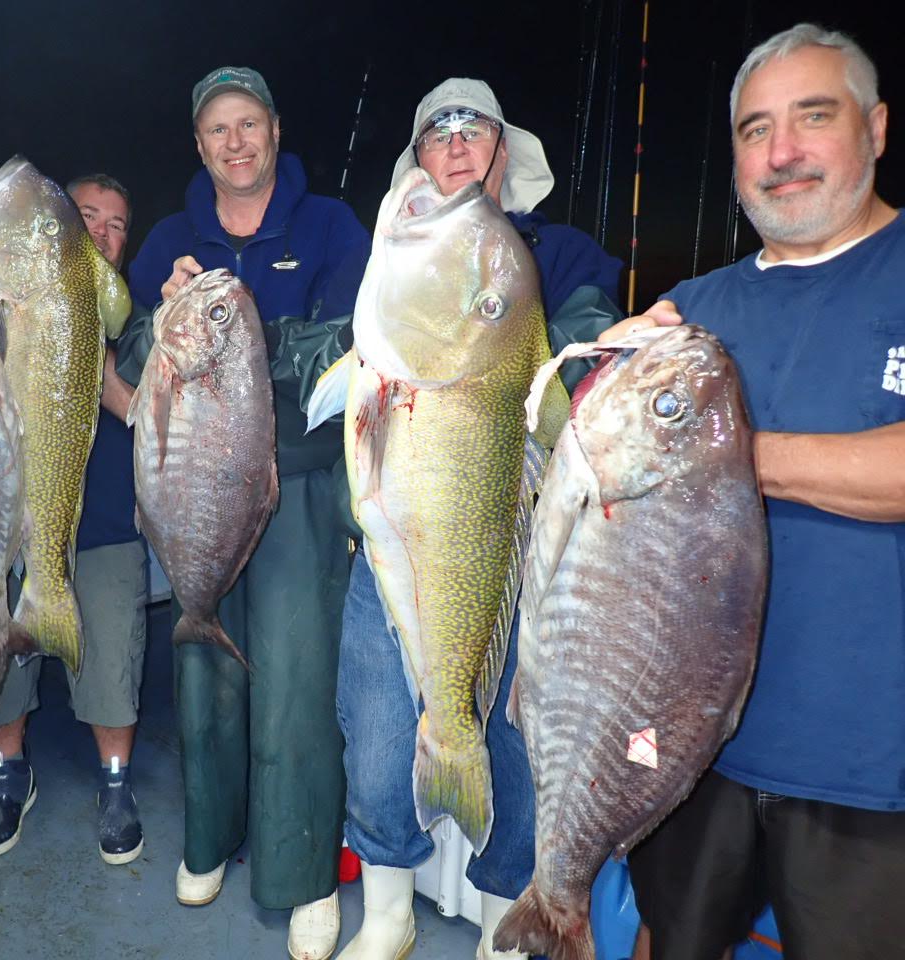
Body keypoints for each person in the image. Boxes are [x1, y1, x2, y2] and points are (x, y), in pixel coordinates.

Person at [605, 24, 905, 960]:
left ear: (877, 127)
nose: (780, 153)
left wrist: (715, 450)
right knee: (666, 939)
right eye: (753, 129)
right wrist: (597, 386)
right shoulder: (695, 305)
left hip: (869, 770)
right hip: (692, 751)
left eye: (812, 118)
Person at [322, 80, 622, 960]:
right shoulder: (396, 259)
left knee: (516, 744)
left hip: (516, 551)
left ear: (502, 152)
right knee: (378, 734)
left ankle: (503, 923)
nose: (455, 144)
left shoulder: (559, 254)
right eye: (436, 134)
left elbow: (586, 348)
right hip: (394, 554)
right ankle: (387, 913)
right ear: (419, 162)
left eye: (474, 129)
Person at [115, 66, 370, 960]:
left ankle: (302, 877)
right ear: (200, 145)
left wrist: (236, 324)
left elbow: (349, 347)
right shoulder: (169, 239)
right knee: (204, 671)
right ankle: (209, 840)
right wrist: (168, 314)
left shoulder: (333, 227)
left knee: (298, 680)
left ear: (274, 130)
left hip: (298, 485)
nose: (236, 141)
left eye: (249, 123)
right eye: (218, 128)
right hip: (196, 490)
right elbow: (135, 351)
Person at [0, 173, 150, 866]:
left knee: (112, 658)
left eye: (117, 222)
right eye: (85, 214)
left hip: (105, 523)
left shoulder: (141, 318)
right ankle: (10, 775)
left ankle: (115, 782)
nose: (100, 229)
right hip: (2, 513)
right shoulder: (9, 297)